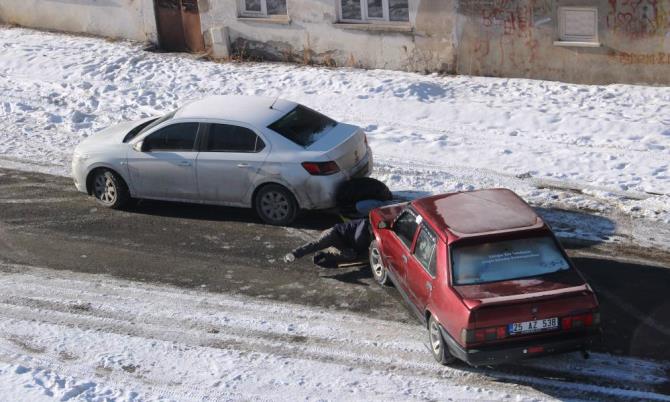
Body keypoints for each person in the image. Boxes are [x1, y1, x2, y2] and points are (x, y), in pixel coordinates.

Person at [284, 218, 371, 267]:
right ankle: (296, 254)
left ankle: (328, 253)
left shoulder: (367, 229)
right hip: (333, 234)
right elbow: (359, 242)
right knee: (317, 244)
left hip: (343, 242)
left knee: (351, 255)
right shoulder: (363, 228)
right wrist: (294, 254)